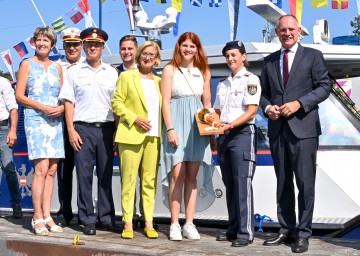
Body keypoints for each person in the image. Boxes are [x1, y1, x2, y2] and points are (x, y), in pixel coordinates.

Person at [260, 15, 332, 253]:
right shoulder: (269, 61)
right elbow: (263, 94)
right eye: (282, 30)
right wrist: (268, 107)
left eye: (291, 29)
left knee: (305, 183)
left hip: (304, 130)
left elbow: (324, 87)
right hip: (278, 129)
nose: (287, 33)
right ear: (277, 32)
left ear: (299, 31)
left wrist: (299, 103)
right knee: (283, 183)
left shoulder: (313, 56)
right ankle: (286, 229)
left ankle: (303, 233)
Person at [59, 27, 118, 236]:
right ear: (84, 46)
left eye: (97, 45)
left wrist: (117, 133)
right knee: (83, 176)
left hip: (106, 128)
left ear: (103, 48)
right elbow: (68, 102)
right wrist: (71, 130)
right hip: (82, 128)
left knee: (105, 175)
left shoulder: (112, 73)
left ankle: (106, 217)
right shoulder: (74, 72)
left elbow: (117, 105)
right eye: (89, 44)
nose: (93, 47)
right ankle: (87, 219)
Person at [160, 32, 212, 241]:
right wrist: (170, 128)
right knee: (177, 175)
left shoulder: (204, 71)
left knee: (192, 176)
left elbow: (206, 103)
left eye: (193, 46)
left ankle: (189, 223)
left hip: (197, 125)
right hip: (176, 123)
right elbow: (165, 101)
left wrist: (210, 129)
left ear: (197, 49)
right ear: (179, 47)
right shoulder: (169, 69)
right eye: (185, 45)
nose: (188, 49)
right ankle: (174, 223)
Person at [15, 26, 64, 236]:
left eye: (46, 40)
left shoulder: (58, 66)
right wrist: (42, 107)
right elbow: (19, 96)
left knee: (52, 170)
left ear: (53, 45)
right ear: (34, 43)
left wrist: (61, 108)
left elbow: (64, 95)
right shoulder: (27, 64)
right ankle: (36, 216)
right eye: (39, 40)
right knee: (41, 168)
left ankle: (47, 215)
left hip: (56, 121)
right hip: (36, 119)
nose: (42, 43)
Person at [112, 41, 162, 239]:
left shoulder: (160, 81)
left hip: (154, 137)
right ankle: (128, 222)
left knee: (149, 182)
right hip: (131, 134)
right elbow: (116, 103)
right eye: (145, 53)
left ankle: (148, 222)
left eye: (152, 54)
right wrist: (135, 119)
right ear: (139, 55)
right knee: (129, 181)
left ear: (157, 58)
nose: (148, 57)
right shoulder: (126, 76)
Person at [214, 41, 261, 247]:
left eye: (234, 55)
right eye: (227, 56)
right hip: (224, 135)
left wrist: (230, 125)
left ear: (243, 56)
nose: (230, 59)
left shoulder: (251, 80)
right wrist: (210, 123)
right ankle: (233, 228)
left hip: (242, 134)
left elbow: (251, 111)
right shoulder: (223, 83)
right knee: (230, 185)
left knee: (243, 184)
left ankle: (245, 232)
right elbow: (217, 111)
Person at [56, 27, 85, 227]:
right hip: (61, 126)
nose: (72, 48)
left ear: (82, 46)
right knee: (64, 171)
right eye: (69, 44)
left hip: (83, 124)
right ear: (63, 46)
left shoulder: (88, 65)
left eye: (76, 44)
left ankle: (85, 214)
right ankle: (64, 211)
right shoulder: (57, 66)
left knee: (84, 172)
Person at [0, 77, 23, 219]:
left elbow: (13, 109)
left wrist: (13, 130)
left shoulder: (2, 82)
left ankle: (16, 204)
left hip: (2, 129)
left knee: (9, 168)